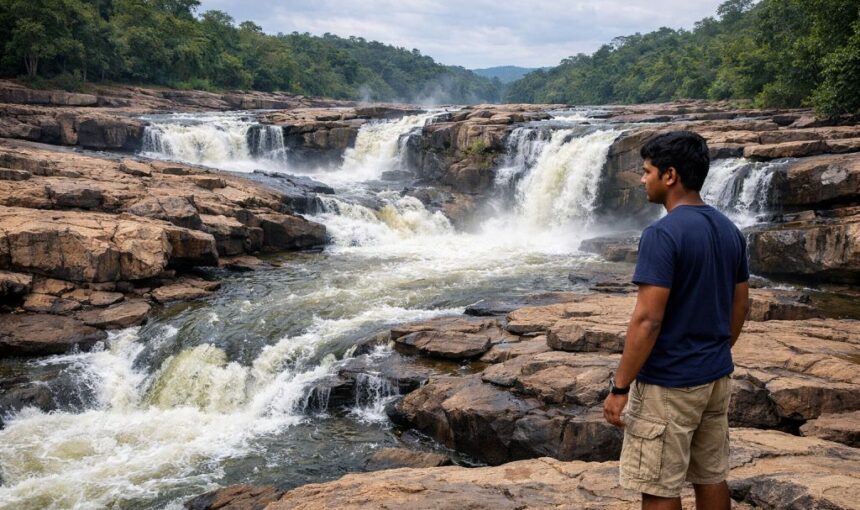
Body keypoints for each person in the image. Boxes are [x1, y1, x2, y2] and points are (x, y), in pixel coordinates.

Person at [602, 131, 750, 510]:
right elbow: (740, 305)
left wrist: (620, 388)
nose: (641, 179)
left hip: (669, 382)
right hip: (715, 377)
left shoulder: (662, 234)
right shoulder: (728, 230)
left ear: (670, 176)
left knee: (659, 487)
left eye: (647, 171)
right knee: (711, 475)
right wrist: (715, 350)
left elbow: (647, 321)